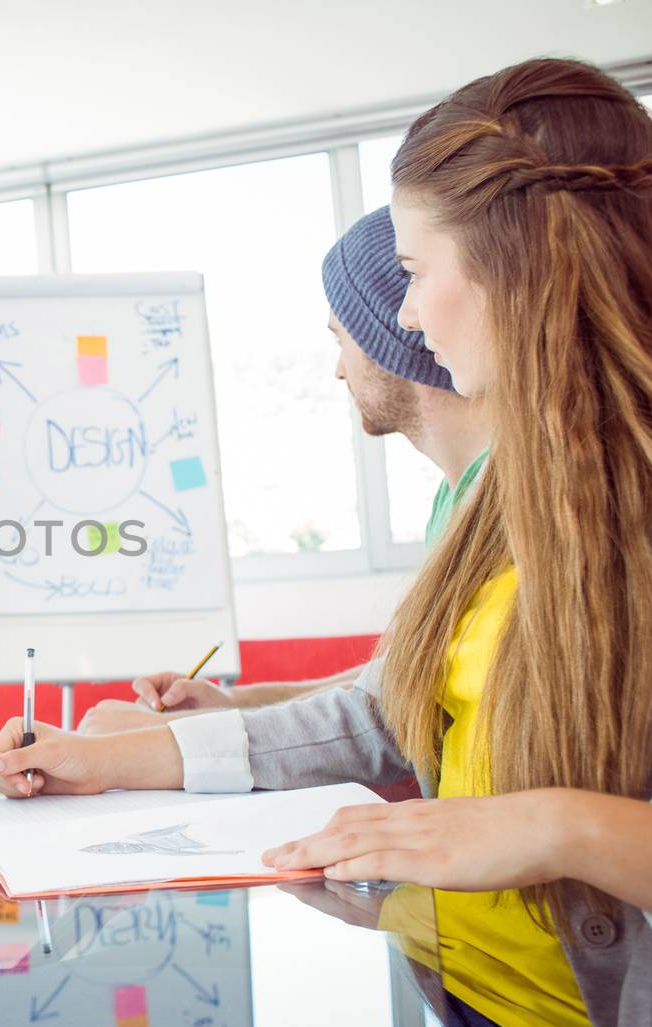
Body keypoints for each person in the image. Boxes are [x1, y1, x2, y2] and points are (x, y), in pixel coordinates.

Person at [0, 58, 652, 1027]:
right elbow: (389, 706)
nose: (403, 317)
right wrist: (104, 759)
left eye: (413, 273)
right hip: (462, 1000)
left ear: (517, 265)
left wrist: (560, 827)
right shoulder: (522, 488)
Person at [82, 206, 492, 734]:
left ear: (388, 341)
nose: (338, 368)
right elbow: (393, 686)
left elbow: (386, 719)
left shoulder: (504, 503)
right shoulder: (454, 497)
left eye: (341, 339)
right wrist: (233, 706)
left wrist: (169, 740)